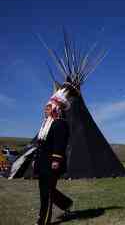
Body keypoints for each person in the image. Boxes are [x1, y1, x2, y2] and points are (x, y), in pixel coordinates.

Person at [33, 95, 73, 225]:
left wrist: (56, 160)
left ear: (56, 109)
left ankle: (43, 221)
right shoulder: (47, 124)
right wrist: (35, 158)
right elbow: (40, 144)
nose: (45, 109)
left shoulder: (60, 124)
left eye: (48, 107)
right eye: (46, 107)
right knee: (45, 190)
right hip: (43, 162)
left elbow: (60, 144)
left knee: (47, 192)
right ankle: (66, 203)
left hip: (52, 163)